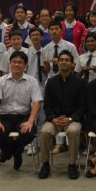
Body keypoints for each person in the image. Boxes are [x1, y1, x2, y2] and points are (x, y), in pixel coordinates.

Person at [0, 51, 42, 171]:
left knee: (29, 133)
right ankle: (10, 152)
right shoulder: (1, 81)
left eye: (20, 62)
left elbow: (37, 102)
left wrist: (30, 121)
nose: (17, 65)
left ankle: (14, 152)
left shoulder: (32, 81)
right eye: (14, 62)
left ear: (25, 66)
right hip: (5, 117)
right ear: (10, 64)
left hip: (23, 117)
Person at [38, 50, 86, 180]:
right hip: (54, 119)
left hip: (72, 119)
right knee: (44, 132)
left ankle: (71, 165)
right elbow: (47, 105)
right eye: (61, 60)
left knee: (73, 131)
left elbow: (83, 106)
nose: (64, 62)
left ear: (72, 64)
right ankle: (45, 164)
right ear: (58, 63)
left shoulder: (80, 82)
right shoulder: (51, 82)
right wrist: (53, 119)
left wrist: (70, 119)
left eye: (67, 60)